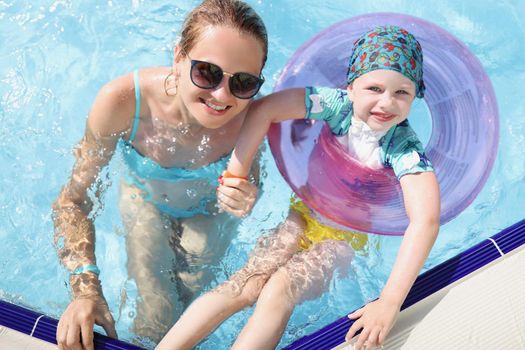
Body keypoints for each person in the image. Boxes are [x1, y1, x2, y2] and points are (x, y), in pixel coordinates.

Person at [157, 25, 440, 350]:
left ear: (415, 96)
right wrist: (237, 172)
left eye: (401, 92)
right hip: (302, 214)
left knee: (281, 288)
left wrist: (389, 301)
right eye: (374, 88)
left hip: (344, 237)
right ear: (351, 87)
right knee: (247, 282)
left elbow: (426, 219)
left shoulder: (402, 148)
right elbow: (266, 109)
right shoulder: (336, 106)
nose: (386, 103)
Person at [51, 0, 268, 348]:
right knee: (158, 311)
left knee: (193, 306)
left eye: (242, 82)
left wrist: (247, 197)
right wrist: (85, 287)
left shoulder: (254, 116)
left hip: (208, 212)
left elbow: (252, 182)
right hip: (145, 200)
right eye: (207, 72)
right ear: (179, 57)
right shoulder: (123, 102)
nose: (221, 95)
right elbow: (72, 200)